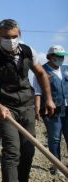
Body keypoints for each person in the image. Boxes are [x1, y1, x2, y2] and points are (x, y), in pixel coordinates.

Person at [0, 19, 56, 182]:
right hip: (6, 108)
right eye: (6, 37)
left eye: (14, 36)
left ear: (19, 34)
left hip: (27, 106)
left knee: (28, 150)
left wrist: (48, 99)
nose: (11, 40)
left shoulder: (28, 52)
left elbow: (41, 74)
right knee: (12, 151)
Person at [32, 45, 68, 175]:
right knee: (55, 138)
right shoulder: (42, 71)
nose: (61, 59)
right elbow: (37, 92)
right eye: (58, 56)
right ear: (51, 57)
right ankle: (57, 166)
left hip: (67, 109)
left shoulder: (66, 70)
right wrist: (37, 109)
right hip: (52, 111)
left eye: (63, 56)